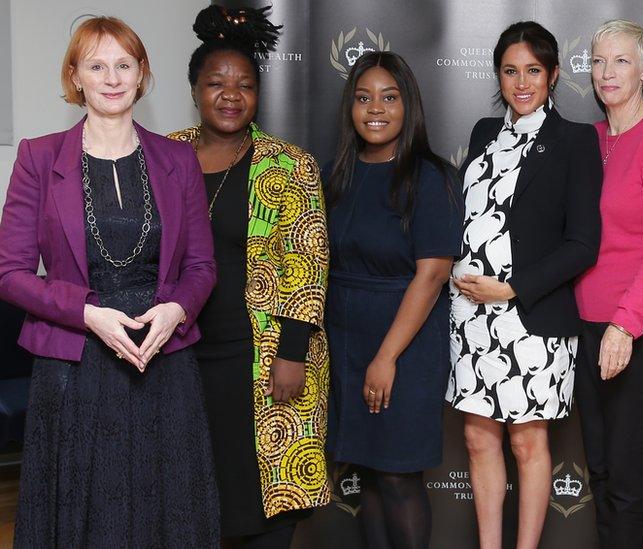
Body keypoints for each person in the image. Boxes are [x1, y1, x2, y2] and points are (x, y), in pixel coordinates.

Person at [0, 16, 219, 547]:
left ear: (142, 74)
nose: (112, 77)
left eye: (124, 64)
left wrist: (176, 312)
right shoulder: (39, 156)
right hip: (75, 362)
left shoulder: (177, 159)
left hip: (162, 357)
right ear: (75, 76)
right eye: (97, 65)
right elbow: (9, 274)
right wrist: (87, 314)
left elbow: (201, 268)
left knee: (165, 511)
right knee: (83, 516)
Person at [169, 5, 330, 547]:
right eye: (216, 82)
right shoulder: (162, 158)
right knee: (191, 495)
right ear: (194, 88)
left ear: (259, 95)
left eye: (244, 84)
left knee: (262, 501)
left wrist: (292, 352)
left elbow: (307, 262)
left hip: (260, 358)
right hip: (178, 359)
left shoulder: (287, 164)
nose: (230, 94)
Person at [445, 21, 602, 549]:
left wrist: (511, 289)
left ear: (554, 74)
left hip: (530, 316)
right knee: (476, 436)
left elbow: (583, 244)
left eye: (533, 70)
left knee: (528, 441)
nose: (521, 82)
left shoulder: (575, 141)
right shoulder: (485, 133)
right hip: (470, 316)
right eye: (510, 71)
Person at [324, 50, 461, 549]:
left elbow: (432, 276)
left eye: (389, 97)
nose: (374, 108)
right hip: (345, 339)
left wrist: (386, 358)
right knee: (371, 473)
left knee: (400, 477)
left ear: (409, 106)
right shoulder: (335, 174)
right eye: (363, 98)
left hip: (404, 345)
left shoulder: (429, 177)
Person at [573, 19, 643, 548]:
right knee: (599, 469)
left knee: (628, 478)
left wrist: (625, 323)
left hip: (639, 328)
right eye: (598, 61)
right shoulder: (589, 140)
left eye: (621, 61)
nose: (606, 72)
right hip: (586, 325)